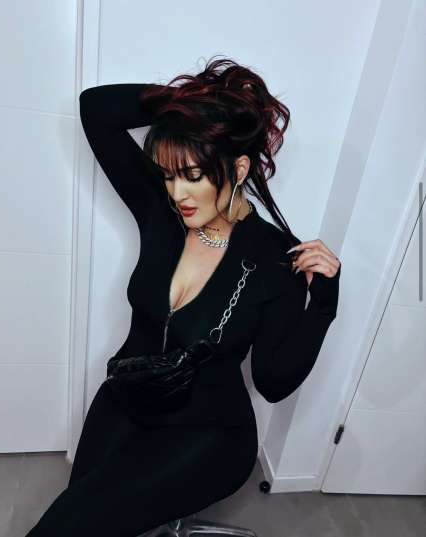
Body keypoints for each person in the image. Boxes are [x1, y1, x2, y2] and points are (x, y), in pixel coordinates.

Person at [25, 56, 341, 536]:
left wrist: (323, 305)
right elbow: (97, 109)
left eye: (193, 175)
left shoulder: (276, 258)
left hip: (208, 432)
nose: (178, 193)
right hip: (129, 395)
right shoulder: (163, 212)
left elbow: (273, 382)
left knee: (68, 527)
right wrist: (196, 106)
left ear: (238, 168)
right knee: (80, 511)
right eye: (168, 175)